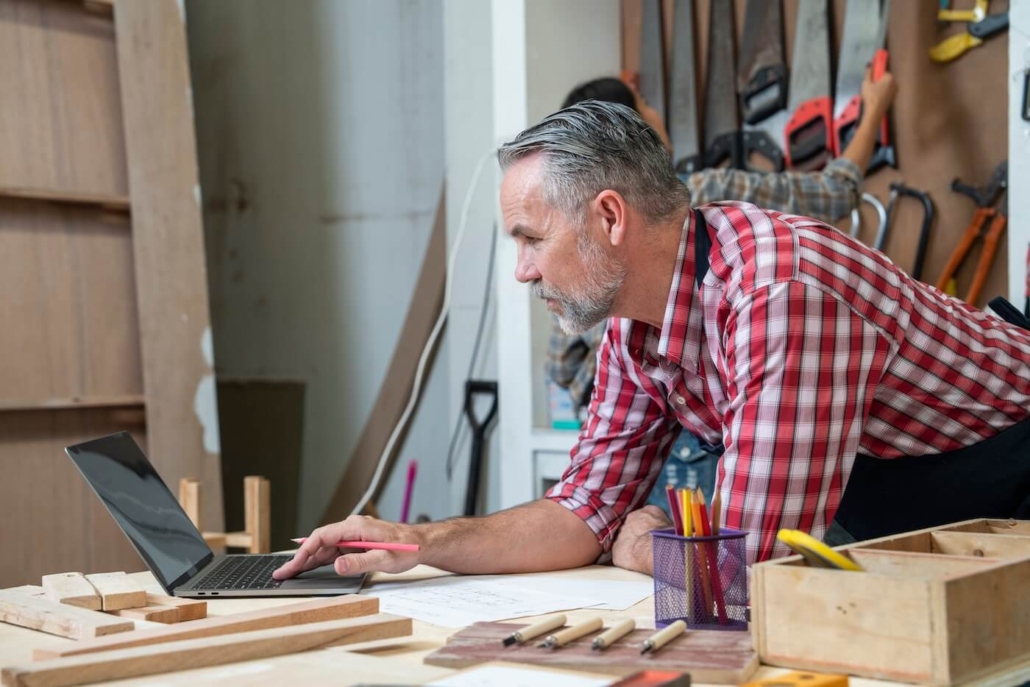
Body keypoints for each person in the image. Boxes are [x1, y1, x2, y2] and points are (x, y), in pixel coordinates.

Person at [274, 95, 1030, 585]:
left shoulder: (779, 292)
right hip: (916, 506)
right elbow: (579, 514)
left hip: (1007, 474)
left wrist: (642, 546)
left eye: (530, 238)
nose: (523, 272)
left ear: (608, 218)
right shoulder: (636, 330)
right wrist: (411, 541)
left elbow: (740, 573)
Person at [549, 72, 898, 514]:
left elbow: (560, 366)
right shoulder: (705, 194)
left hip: (665, 452)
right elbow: (836, 193)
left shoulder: (580, 250)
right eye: (646, 102)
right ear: (639, 131)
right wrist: (872, 113)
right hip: (695, 445)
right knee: (707, 569)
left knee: (688, 569)